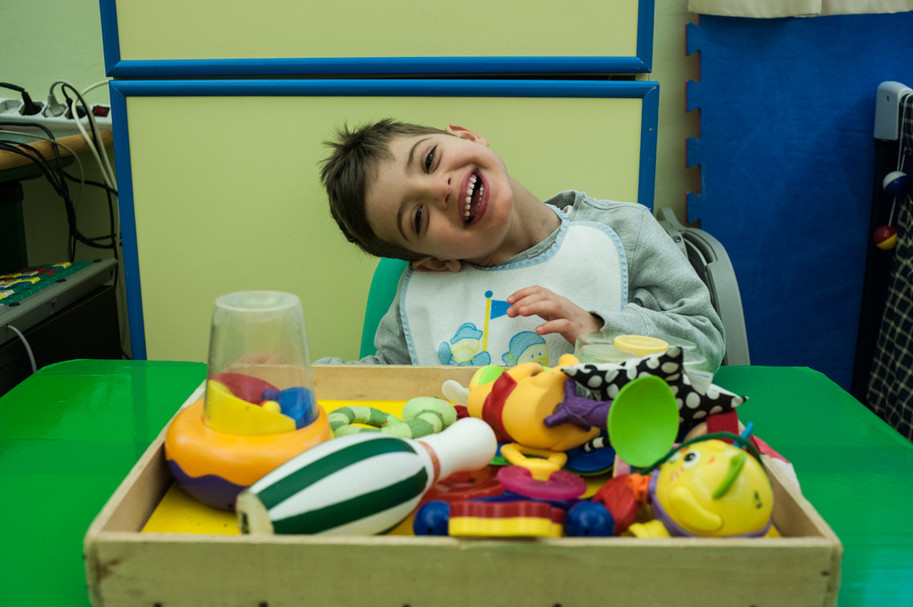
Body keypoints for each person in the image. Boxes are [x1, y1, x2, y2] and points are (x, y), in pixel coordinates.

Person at [317, 119, 726, 372]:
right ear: (434, 263)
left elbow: (704, 342)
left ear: (468, 136)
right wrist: (294, 378)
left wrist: (600, 331)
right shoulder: (427, 294)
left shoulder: (623, 232)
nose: (440, 188)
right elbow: (381, 377)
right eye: (419, 217)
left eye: (429, 160)